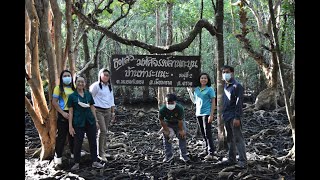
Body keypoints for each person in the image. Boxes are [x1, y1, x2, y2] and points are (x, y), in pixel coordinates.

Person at [67, 75, 104, 170]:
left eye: (82, 82)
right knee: (77, 143)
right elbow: (70, 111)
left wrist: (96, 121)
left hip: (90, 121)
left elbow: (92, 107)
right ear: (75, 83)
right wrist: (70, 126)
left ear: (85, 83)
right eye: (78, 81)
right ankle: (76, 163)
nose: (80, 83)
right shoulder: (72, 96)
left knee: (92, 141)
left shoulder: (88, 94)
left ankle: (95, 161)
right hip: (78, 122)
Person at [217, 65, 247, 168]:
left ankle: (243, 161)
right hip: (226, 116)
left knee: (238, 138)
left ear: (232, 73)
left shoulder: (237, 86)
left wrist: (237, 117)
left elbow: (239, 103)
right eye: (224, 72)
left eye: (227, 72)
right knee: (230, 138)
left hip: (234, 116)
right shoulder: (226, 86)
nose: (225, 74)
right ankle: (232, 159)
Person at [52, 70, 82, 167]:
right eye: (65, 76)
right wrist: (63, 113)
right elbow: (54, 102)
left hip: (74, 114)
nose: (67, 77)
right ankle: (58, 158)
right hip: (63, 114)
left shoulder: (74, 88)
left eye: (68, 75)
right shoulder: (58, 88)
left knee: (73, 136)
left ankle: (74, 155)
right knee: (61, 137)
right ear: (61, 78)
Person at [187, 72, 217, 161]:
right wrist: (189, 91)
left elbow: (213, 103)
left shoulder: (210, 89)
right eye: (202, 78)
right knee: (203, 133)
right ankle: (205, 149)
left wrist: (211, 114)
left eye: (205, 78)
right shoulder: (197, 89)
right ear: (199, 80)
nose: (203, 79)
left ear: (207, 80)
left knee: (208, 133)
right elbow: (194, 101)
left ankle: (211, 152)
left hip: (206, 113)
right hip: (198, 113)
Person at [89, 68, 116, 162]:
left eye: (107, 75)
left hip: (107, 110)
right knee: (103, 130)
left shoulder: (109, 86)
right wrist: (92, 110)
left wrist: (113, 112)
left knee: (105, 131)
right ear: (100, 75)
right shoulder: (95, 86)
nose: (106, 77)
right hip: (98, 110)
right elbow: (89, 98)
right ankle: (100, 153)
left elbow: (111, 100)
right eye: (104, 75)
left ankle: (103, 151)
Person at [159, 93, 190, 163]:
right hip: (168, 123)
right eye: (168, 103)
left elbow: (180, 121)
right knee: (166, 137)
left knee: (182, 136)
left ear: (175, 102)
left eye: (172, 103)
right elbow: (161, 120)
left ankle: (184, 155)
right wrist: (166, 130)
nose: (170, 104)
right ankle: (168, 156)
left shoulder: (179, 108)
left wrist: (181, 130)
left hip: (178, 123)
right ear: (166, 102)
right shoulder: (162, 109)